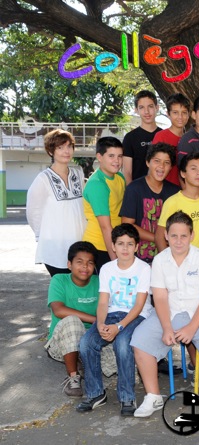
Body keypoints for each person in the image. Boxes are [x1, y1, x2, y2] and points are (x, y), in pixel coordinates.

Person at [131, 211, 199, 418]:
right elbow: (160, 297)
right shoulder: (159, 260)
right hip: (170, 311)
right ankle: (153, 396)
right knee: (140, 340)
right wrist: (166, 327)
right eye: (173, 235)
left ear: (192, 235)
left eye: (184, 235)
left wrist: (192, 328)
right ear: (166, 235)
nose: (178, 241)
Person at [76, 224, 152, 416]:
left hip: (136, 316)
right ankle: (95, 394)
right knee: (87, 343)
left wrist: (119, 327)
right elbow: (103, 302)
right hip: (111, 314)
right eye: (120, 244)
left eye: (130, 244)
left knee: (123, 343)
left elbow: (139, 305)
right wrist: (101, 323)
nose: (125, 248)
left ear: (136, 247)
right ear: (113, 246)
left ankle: (127, 397)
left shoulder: (143, 268)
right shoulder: (107, 269)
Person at [45, 241, 106, 397]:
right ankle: (73, 377)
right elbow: (58, 310)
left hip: (90, 339)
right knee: (72, 321)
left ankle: (82, 360)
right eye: (79, 262)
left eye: (90, 263)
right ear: (69, 264)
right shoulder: (59, 280)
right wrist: (94, 319)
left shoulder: (99, 282)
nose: (85, 266)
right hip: (61, 343)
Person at [26, 129, 86, 276]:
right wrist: (41, 236)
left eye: (69, 146)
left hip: (79, 243)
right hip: (55, 246)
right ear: (51, 151)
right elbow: (33, 212)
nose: (66, 151)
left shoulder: (78, 174)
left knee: (79, 286)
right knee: (61, 286)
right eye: (60, 147)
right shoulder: (43, 179)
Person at [155, 153, 199, 269]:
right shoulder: (172, 202)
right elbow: (159, 236)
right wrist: (169, 264)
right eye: (193, 169)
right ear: (183, 173)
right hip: (181, 265)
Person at [119, 142, 179, 263]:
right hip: (139, 259)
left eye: (166, 162)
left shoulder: (175, 192)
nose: (161, 166)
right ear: (148, 162)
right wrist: (158, 239)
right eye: (157, 161)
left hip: (169, 257)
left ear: (171, 167)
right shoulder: (134, 189)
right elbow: (127, 225)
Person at [82, 136, 126, 271]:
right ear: (99, 157)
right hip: (100, 247)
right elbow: (105, 227)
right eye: (111, 156)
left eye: (120, 156)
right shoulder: (97, 185)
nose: (117, 161)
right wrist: (116, 263)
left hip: (116, 243)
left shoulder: (119, 177)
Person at [122, 90, 161, 184]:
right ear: (136, 110)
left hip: (162, 190)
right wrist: (131, 191)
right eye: (142, 107)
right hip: (137, 190)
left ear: (157, 108)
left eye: (150, 106)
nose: (146, 111)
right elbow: (127, 172)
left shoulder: (164, 135)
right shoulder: (130, 138)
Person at [153, 93, 191, 187]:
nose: (180, 117)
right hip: (165, 189)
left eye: (184, 112)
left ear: (189, 114)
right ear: (168, 114)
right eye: (175, 112)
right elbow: (153, 167)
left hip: (185, 190)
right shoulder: (161, 136)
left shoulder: (190, 139)